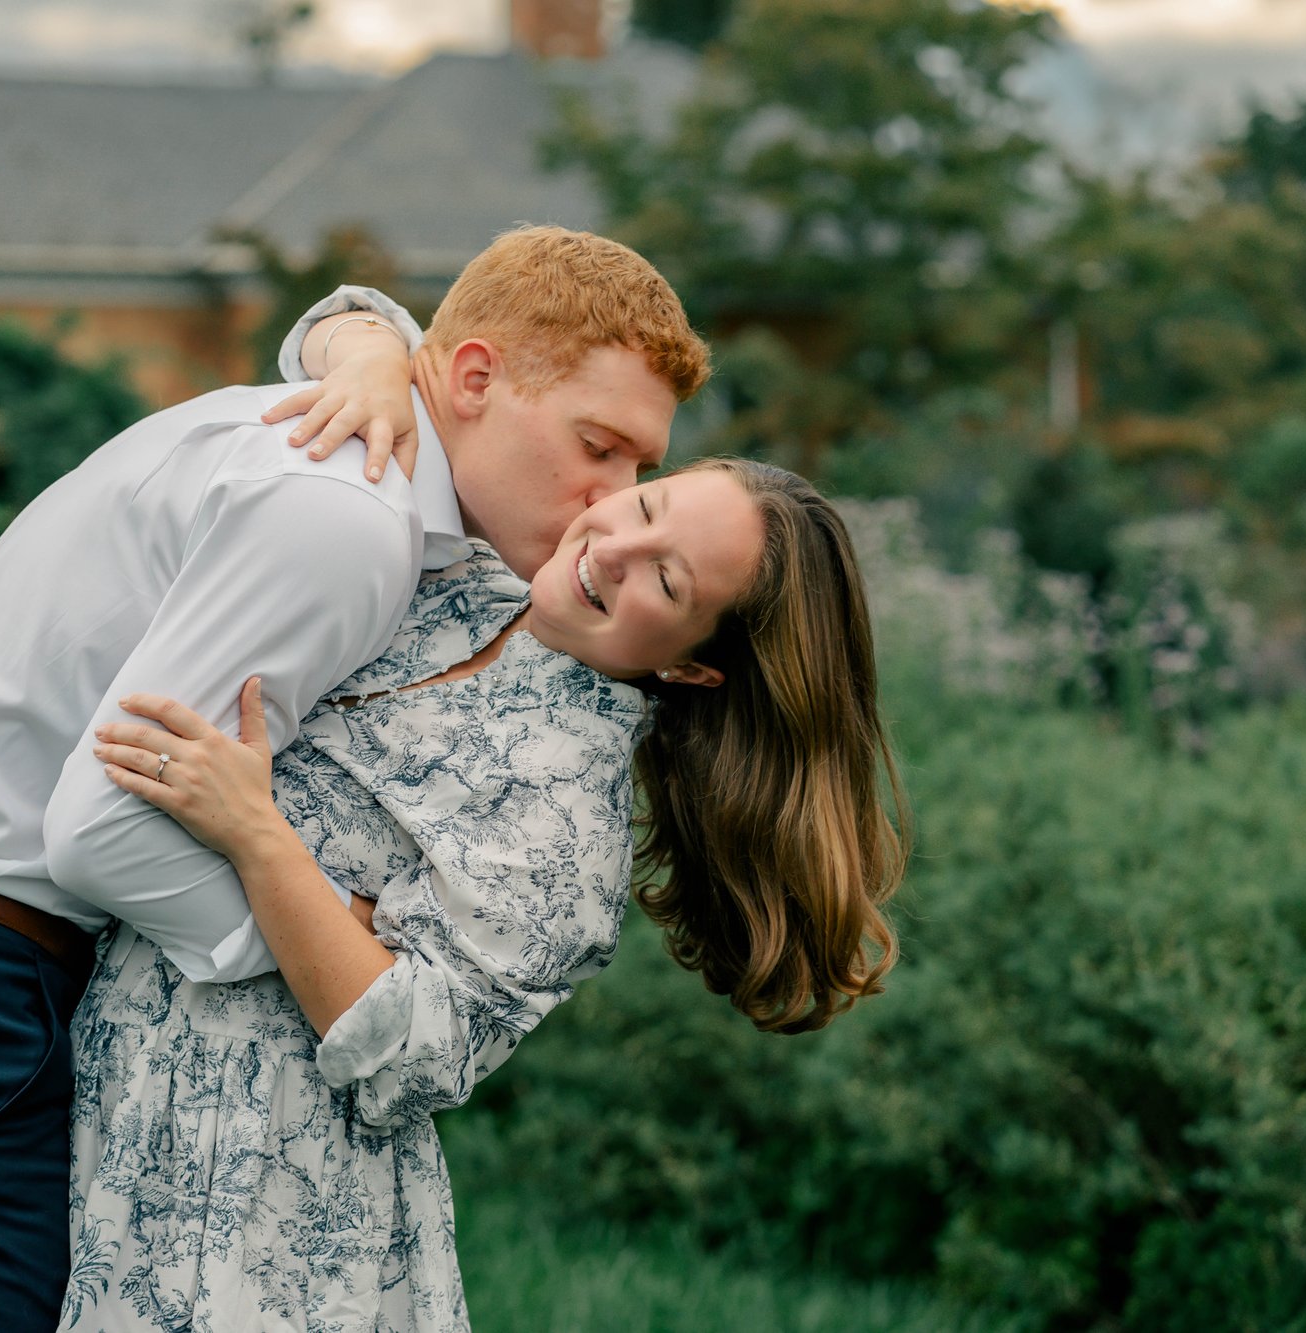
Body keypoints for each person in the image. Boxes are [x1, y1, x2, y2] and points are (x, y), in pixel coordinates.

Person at [0, 225, 708, 1332]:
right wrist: (313, 941)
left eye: (637, 469)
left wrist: (366, 339)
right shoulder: (348, 520)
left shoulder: (334, 456)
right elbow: (99, 829)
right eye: (599, 446)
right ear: (475, 378)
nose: (606, 495)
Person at [61, 455, 908, 1330]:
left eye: (665, 576)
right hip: (99, 1072)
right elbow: (436, 371)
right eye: (645, 504)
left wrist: (258, 835)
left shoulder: (570, 823)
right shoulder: (459, 571)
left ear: (695, 669)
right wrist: (360, 346)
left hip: (256, 1195)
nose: (617, 546)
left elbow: (408, 1057)